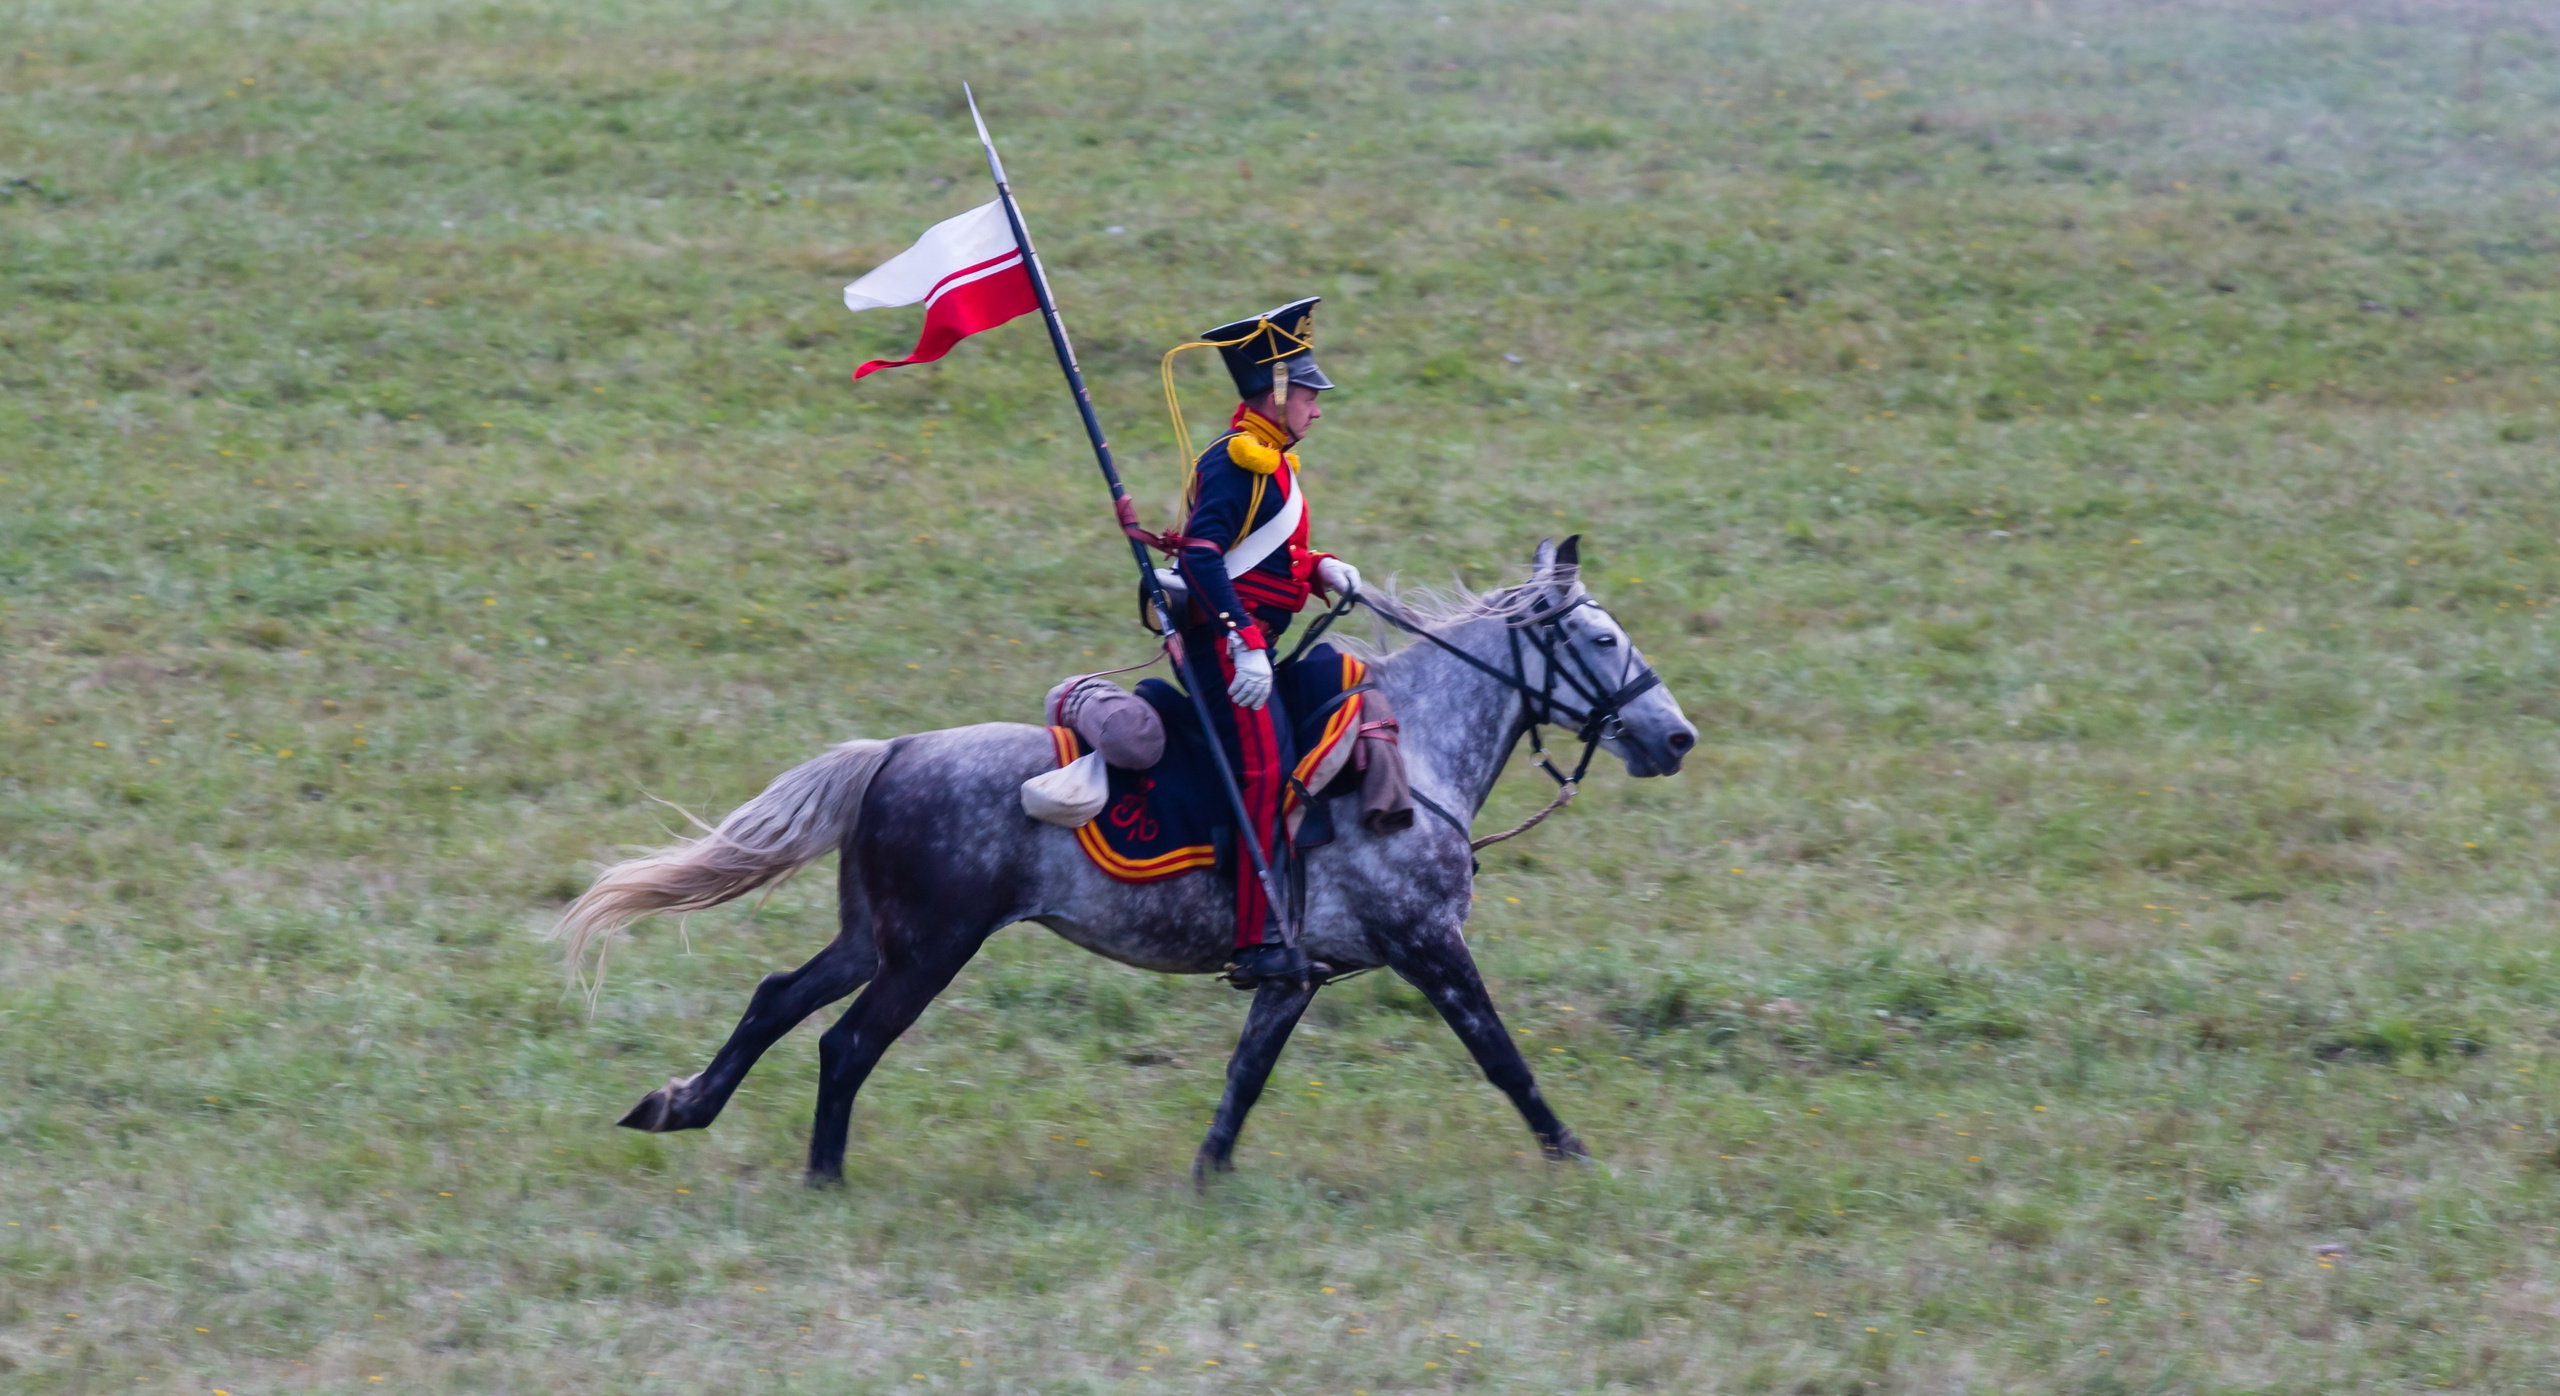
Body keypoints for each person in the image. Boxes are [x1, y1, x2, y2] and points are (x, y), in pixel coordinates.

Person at [1173, 297, 1364, 988]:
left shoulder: (1272, 462)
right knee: (1263, 772)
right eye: (1309, 396)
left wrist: (1320, 569)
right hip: (1224, 650)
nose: (1317, 410)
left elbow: (1267, 556)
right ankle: (1257, 941)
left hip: (1248, 645)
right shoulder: (1236, 461)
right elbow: (1201, 557)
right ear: (1277, 393)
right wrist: (1244, 641)